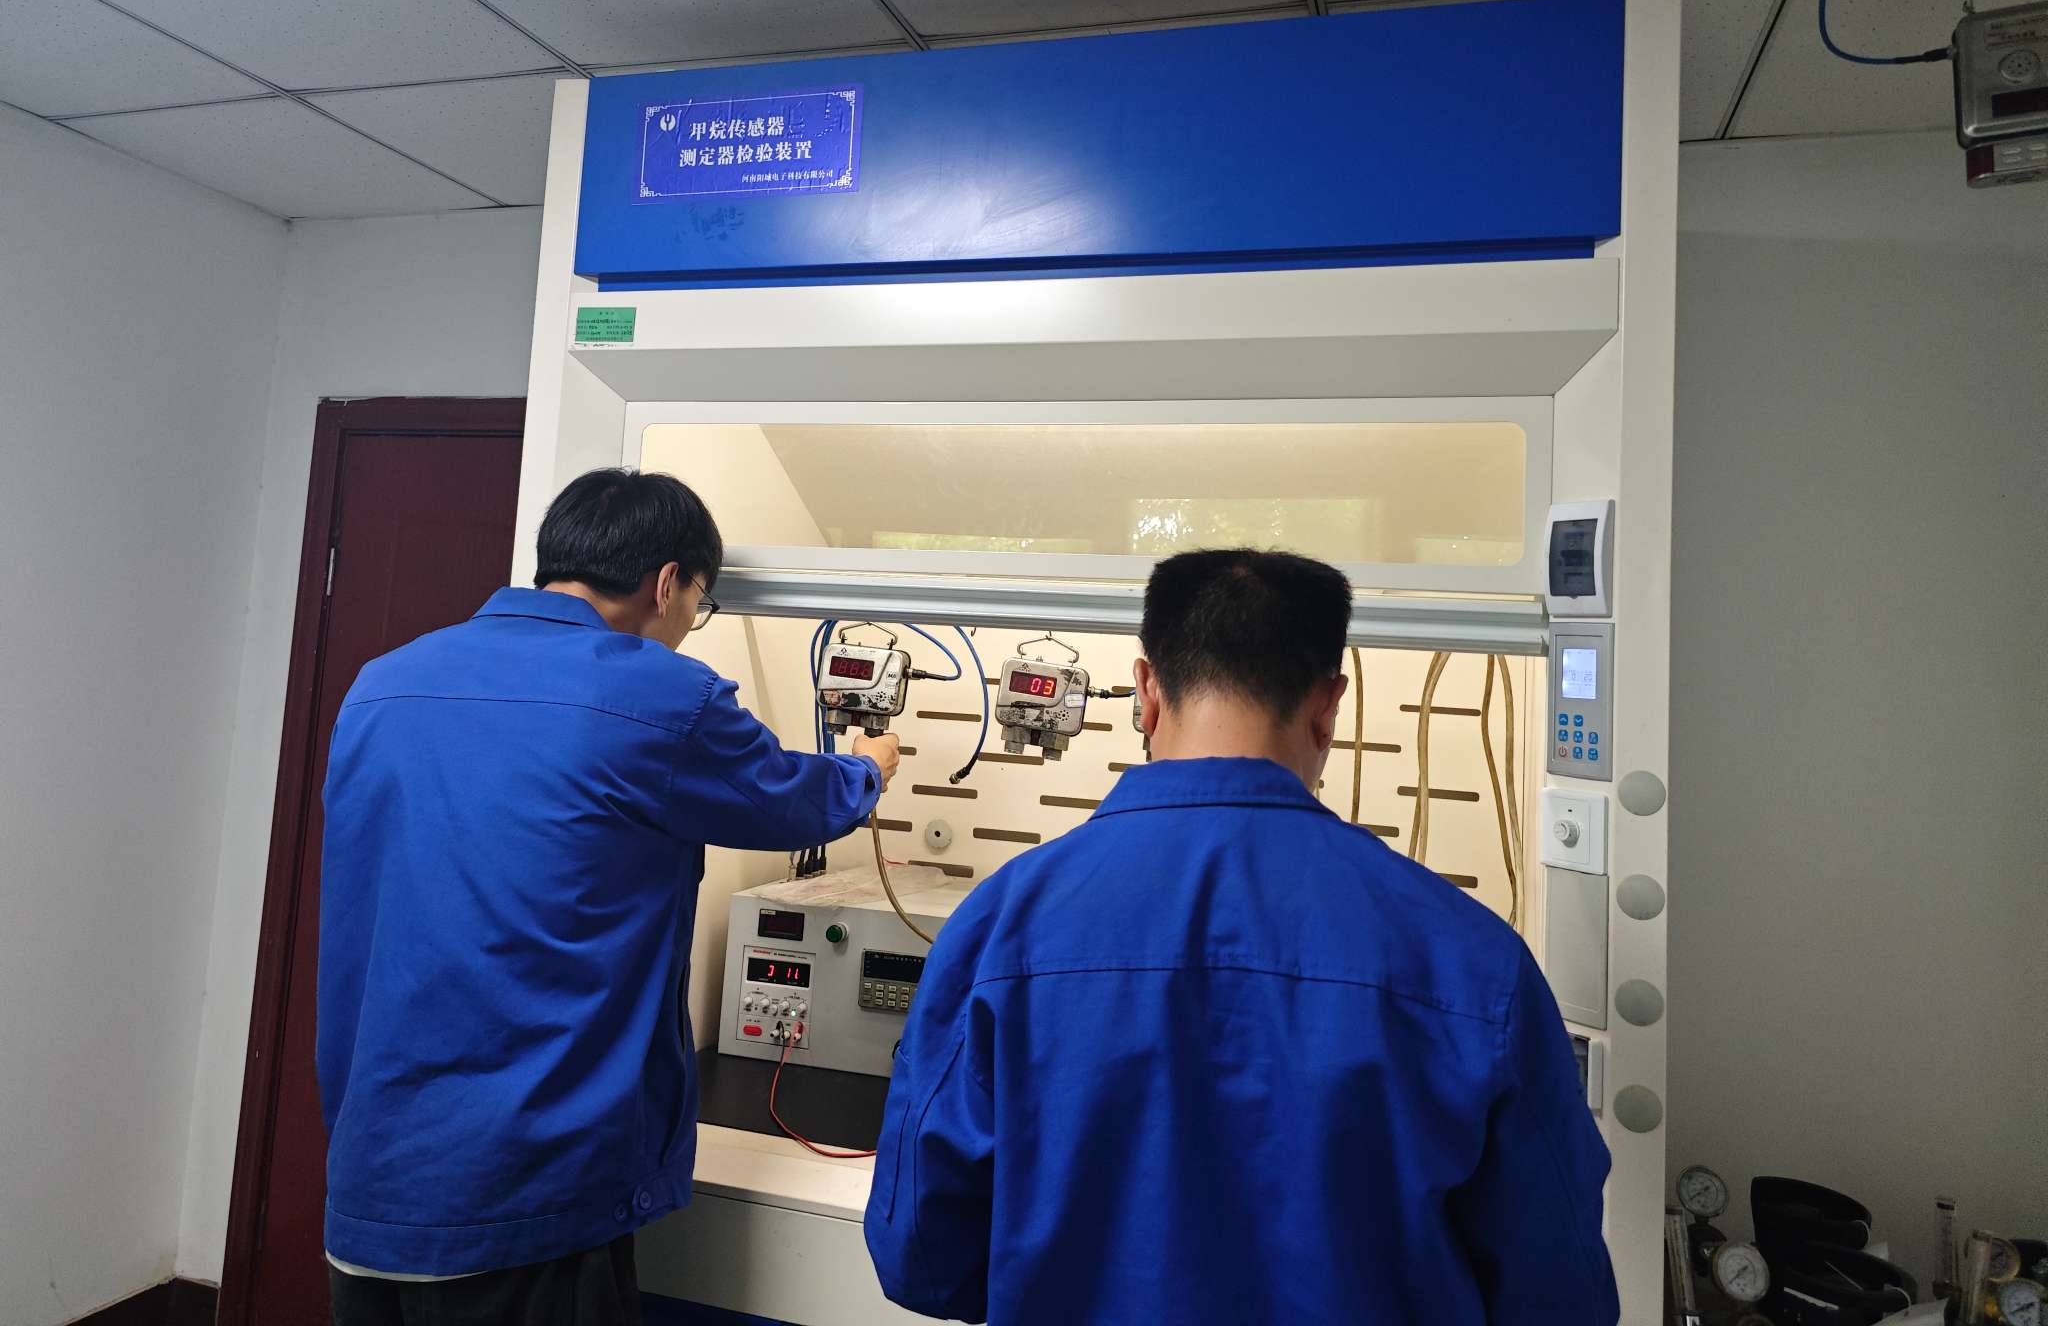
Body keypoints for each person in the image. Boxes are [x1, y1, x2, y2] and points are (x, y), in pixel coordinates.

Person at [864, 548, 1617, 1325]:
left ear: (1147, 692)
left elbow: (921, 1258)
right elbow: (1559, 1297)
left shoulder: (998, 929)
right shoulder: (1474, 965)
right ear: (1328, 706)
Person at [318, 468, 899, 1325]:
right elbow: (793, 800)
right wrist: (869, 768)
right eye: (700, 603)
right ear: (668, 584)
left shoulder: (382, 684)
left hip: (373, 1174)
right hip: (527, 1196)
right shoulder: (660, 695)